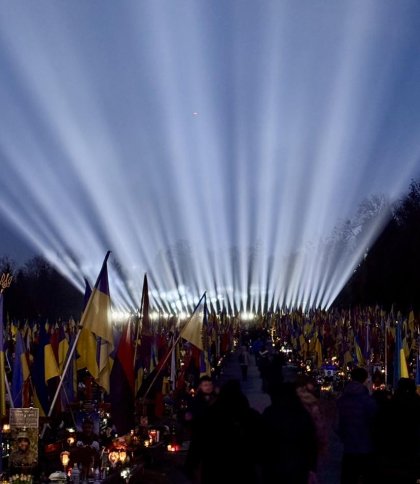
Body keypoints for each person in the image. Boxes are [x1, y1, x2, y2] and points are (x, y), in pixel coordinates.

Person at [184, 379, 263, 484]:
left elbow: (198, 442)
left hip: (215, 470)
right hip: (243, 470)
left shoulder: (210, 416)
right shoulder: (250, 416)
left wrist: (190, 466)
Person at [261, 381, 318, 484]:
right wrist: (311, 466)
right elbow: (310, 442)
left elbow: (262, 440)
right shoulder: (302, 413)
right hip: (298, 466)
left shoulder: (270, 413)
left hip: (274, 466)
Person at [336, 367, 377, 484]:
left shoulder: (341, 400)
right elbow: (374, 420)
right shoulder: (368, 400)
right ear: (364, 380)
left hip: (347, 447)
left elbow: (336, 424)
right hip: (365, 447)